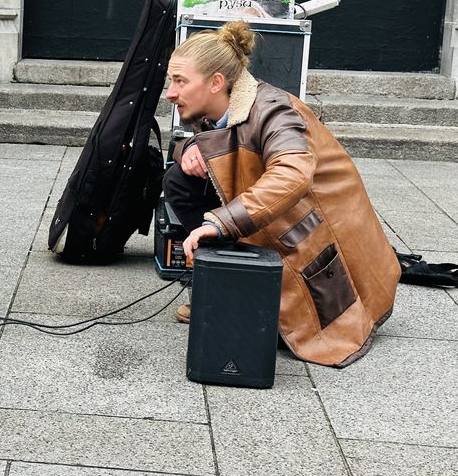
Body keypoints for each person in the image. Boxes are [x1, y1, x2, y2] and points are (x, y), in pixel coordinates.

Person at [162, 20, 398, 367]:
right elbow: (209, 148)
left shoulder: (275, 111)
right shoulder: (217, 108)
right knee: (178, 180)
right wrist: (188, 149)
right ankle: (232, 284)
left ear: (216, 83)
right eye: (171, 80)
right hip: (277, 220)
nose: (170, 92)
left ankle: (249, 293)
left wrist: (219, 223)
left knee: (294, 331)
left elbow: (292, 175)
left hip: (318, 237)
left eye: (180, 81)